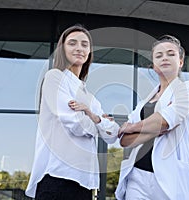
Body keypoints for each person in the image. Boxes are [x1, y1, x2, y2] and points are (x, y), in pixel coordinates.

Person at [25, 25, 119, 200]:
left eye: (84, 44)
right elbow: (76, 125)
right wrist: (96, 123)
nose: (79, 48)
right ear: (63, 49)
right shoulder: (55, 78)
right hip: (57, 178)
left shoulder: (89, 97)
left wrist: (92, 115)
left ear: (89, 52)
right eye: (72, 43)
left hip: (85, 185)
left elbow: (112, 134)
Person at [115, 35, 189, 200]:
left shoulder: (188, 90)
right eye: (159, 55)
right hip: (137, 176)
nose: (164, 58)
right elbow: (124, 140)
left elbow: (165, 120)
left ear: (181, 61)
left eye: (170, 54)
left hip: (170, 178)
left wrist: (134, 127)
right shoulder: (144, 102)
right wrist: (158, 127)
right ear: (154, 65)